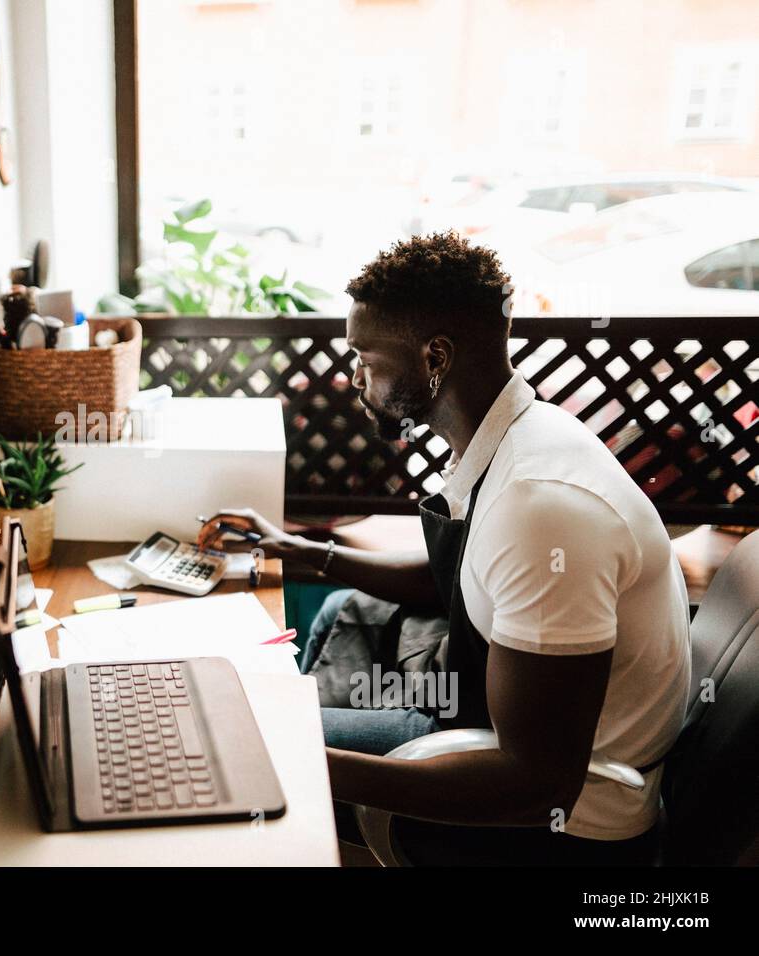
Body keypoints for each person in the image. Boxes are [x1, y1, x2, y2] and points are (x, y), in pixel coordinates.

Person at [198, 232, 690, 865]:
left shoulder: (541, 507)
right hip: (497, 723)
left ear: (434, 358)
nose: (353, 377)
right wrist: (301, 550)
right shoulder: (514, 436)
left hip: (570, 825)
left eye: (364, 358)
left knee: (237, 742)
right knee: (332, 619)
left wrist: (290, 758)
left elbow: (537, 789)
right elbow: (459, 577)